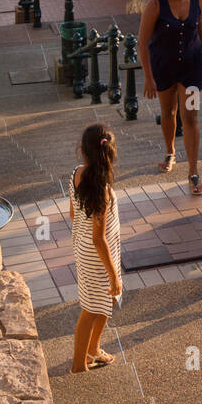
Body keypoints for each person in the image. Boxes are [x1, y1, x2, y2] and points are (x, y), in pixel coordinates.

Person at [138, 0, 202, 195]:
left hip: (192, 68)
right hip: (163, 67)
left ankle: (194, 171)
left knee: (191, 117)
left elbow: (198, 27)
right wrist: (148, 77)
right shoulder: (155, 5)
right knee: (168, 112)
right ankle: (170, 151)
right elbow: (142, 42)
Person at [69, 124, 122, 373]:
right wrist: (113, 273)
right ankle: (79, 365)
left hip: (83, 248)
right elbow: (98, 239)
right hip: (98, 255)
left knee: (105, 300)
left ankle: (94, 349)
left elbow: (73, 213)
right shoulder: (102, 190)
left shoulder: (76, 174)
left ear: (82, 151)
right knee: (91, 308)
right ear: (110, 153)